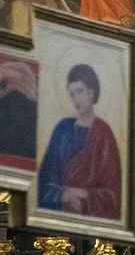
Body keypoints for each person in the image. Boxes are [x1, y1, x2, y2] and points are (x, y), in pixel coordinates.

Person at [37, 63, 119, 217]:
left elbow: (113, 194)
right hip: (58, 215)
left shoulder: (103, 133)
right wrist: (64, 194)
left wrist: (84, 195)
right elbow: (44, 182)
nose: (76, 100)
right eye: (72, 94)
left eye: (80, 91)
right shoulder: (62, 129)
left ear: (91, 92)